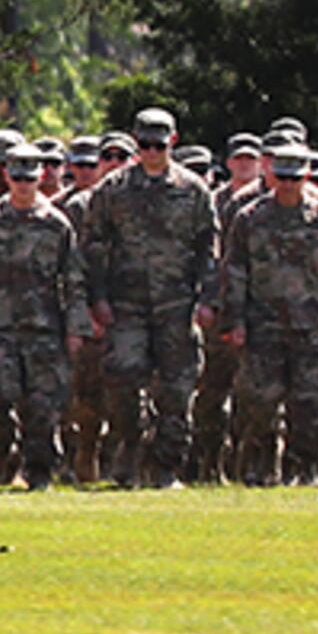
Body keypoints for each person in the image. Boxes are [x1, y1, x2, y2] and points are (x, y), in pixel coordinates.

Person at [82, 107, 217, 486]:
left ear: (173, 141)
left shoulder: (193, 191)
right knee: (122, 382)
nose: (153, 151)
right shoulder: (112, 191)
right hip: (127, 305)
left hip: (177, 305)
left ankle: (165, 468)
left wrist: (208, 299)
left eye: (160, 143)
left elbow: (209, 248)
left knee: (177, 391)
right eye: (145, 144)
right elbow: (93, 247)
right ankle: (129, 449)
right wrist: (98, 299)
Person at [216, 145, 318, 486]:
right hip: (263, 325)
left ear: (306, 177)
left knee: (310, 402)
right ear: (270, 175)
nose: (289, 184)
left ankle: (307, 470)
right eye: (282, 177)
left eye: (295, 178)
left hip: (310, 327)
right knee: (261, 401)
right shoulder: (250, 218)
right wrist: (232, 321)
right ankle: (262, 468)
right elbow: (234, 272)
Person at [0, 144, 93, 489]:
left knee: (42, 407)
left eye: (30, 178)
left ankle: (39, 472)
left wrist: (76, 329)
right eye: (17, 177)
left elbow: (74, 280)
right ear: (6, 176)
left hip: (44, 329)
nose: (23, 184)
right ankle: (1, 457)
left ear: (40, 179)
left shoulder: (56, 224)